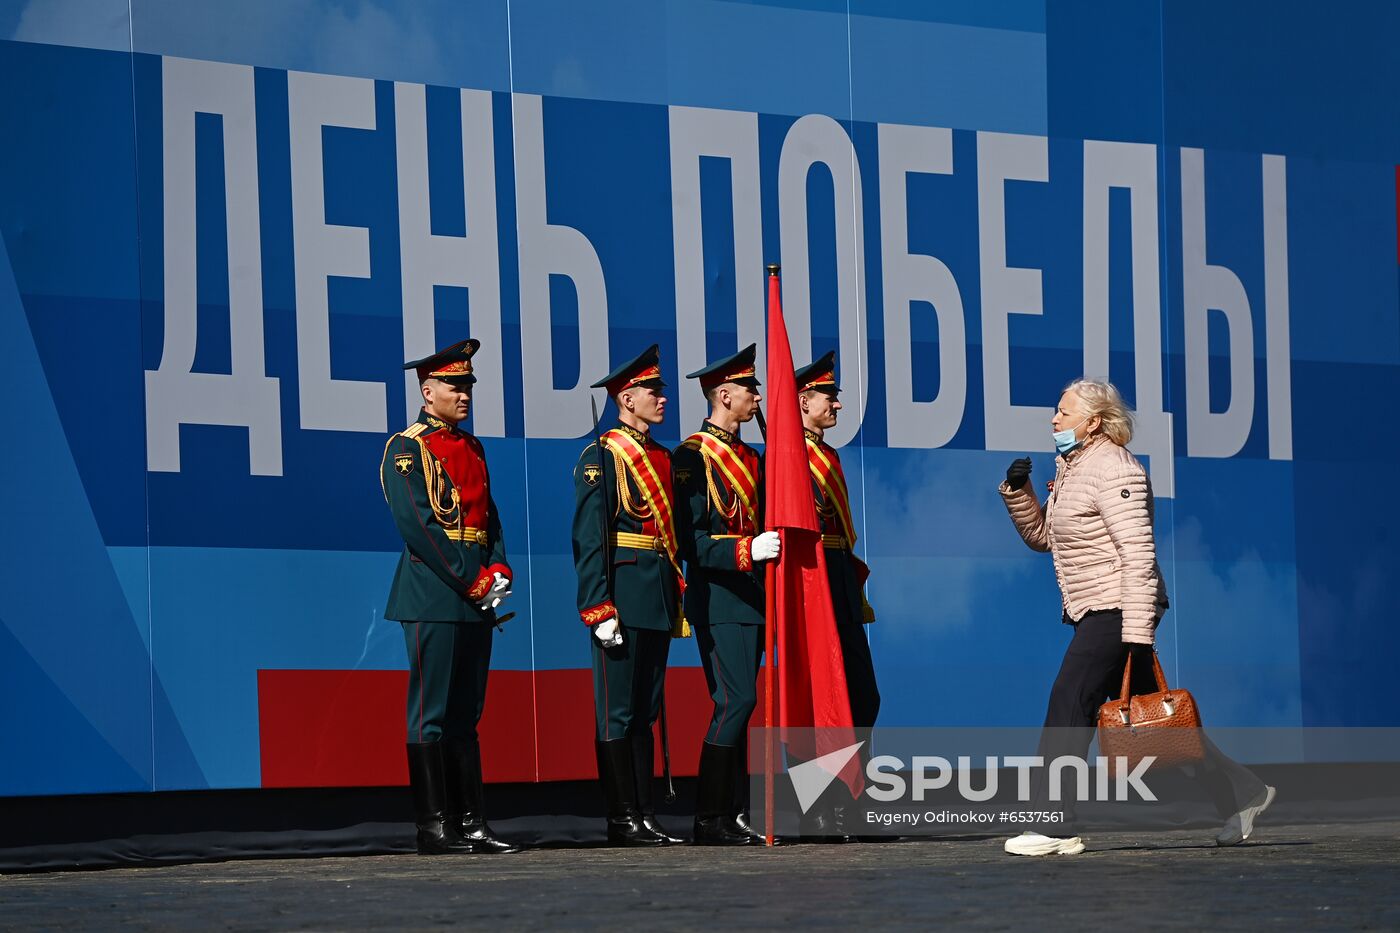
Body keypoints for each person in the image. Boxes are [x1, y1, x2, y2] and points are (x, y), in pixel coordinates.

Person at [998, 378, 1275, 856]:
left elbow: (1139, 556)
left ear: (1093, 422)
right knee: (1158, 723)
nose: (1054, 419)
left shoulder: (1114, 469)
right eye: (1055, 411)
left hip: (1120, 604)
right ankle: (1241, 793)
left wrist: (1136, 632)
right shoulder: (1074, 466)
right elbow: (1047, 539)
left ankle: (1053, 823)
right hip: (1097, 605)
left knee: (1070, 699)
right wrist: (1020, 492)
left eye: (1063, 412)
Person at [380, 339, 520, 855]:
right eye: (455, 386)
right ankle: (433, 826)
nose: (465, 394)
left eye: (468, 386)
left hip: (474, 592)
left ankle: (472, 823)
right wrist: (473, 577)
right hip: (434, 593)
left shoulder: (473, 447)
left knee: (467, 713)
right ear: (427, 389)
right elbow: (418, 526)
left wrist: (499, 566)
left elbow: (490, 518)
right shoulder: (407, 447)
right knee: (430, 713)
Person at [572, 345, 688, 846]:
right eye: (652, 391)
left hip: (658, 594)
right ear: (626, 398)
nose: (662, 399)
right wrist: (597, 605)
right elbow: (589, 537)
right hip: (621, 595)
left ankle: (645, 813)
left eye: (660, 390)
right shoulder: (601, 456)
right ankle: (622, 817)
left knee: (646, 709)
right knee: (617, 710)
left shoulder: (663, 456)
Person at [674, 344, 781, 845]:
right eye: (750, 388)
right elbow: (691, 540)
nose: (757, 396)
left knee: (741, 705)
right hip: (718, 596)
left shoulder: (749, 455)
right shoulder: (692, 457)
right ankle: (709, 816)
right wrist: (746, 549)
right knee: (735, 700)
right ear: (723, 394)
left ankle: (734, 812)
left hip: (751, 595)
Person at [792, 352, 882, 842]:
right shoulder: (790, 457)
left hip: (840, 577)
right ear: (804, 401)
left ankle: (848, 800)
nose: (837, 405)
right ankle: (821, 809)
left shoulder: (826, 455)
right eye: (830, 396)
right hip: (815, 580)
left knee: (862, 697)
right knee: (821, 701)